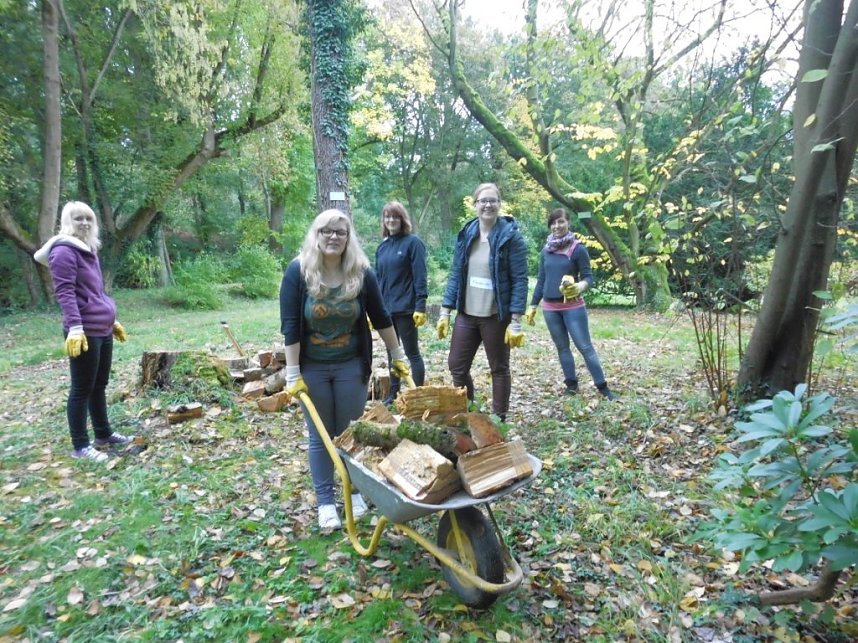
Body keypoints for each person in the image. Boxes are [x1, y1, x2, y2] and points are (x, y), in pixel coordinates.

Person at [280, 209, 410, 530]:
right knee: (321, 436)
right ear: (316, 235)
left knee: (351, 432)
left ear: (348, 237)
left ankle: (354, 490)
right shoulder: (298, 271)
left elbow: (381, 317)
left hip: (351, 365)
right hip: (312, 368)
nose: (333, 237)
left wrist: (398, 354)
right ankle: (326, 502)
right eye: (326, 231)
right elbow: (291, 326)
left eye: (340, 232)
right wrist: (293, 373)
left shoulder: (361, 272)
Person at [34, 201, 133, 463]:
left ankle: (103, 434)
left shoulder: (89, 249)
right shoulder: (63, 251)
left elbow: (94, 292)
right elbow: (65, 293)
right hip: (84, 330)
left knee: (99, 385)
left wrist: (112, 319)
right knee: (81, 388)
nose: (85, 223)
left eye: (89, 218)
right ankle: (80, 446)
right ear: (67, 222)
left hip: (101, 327)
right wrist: (75, 328)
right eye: (78, 218)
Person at [436, 183, 528, 422]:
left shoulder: (511, 237)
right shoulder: (467, 233)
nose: (488, 205)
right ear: (475, 204)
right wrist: (445, 311)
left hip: (495, 316)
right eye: (483, 200)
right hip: (467, 313)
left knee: (499, 368)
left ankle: (498, 421)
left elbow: (520, 279)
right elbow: (456, 273)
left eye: (492, 200)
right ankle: (468, 414)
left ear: (499, 204)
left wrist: (516, 320)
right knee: (457, 366)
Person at [525, 207, 615, 400]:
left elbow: (589, 277)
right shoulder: (546, 251)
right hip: (550, 309)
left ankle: (603, 388)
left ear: (568, 223)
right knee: (562, 347)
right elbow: (541, 280)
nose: (557, 226)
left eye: (561, 222)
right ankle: (571, 386)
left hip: (573, 307)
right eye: (553, 223)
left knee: (585, 347)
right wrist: (532, 305)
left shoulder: (578, 249)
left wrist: (580, 286)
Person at [375, 201, 428, 404]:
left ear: (402, 219)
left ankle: (417, 395)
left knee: (412, 353)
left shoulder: (413, 243)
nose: (391, 220)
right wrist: (374, 309)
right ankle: (393, 393)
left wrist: (420, 305)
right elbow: (378, 280)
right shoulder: (382, 247)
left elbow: (420, 276)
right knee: (392, 352)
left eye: (395, 217)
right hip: (386, 310)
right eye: (387, 217)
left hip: (406, 309)